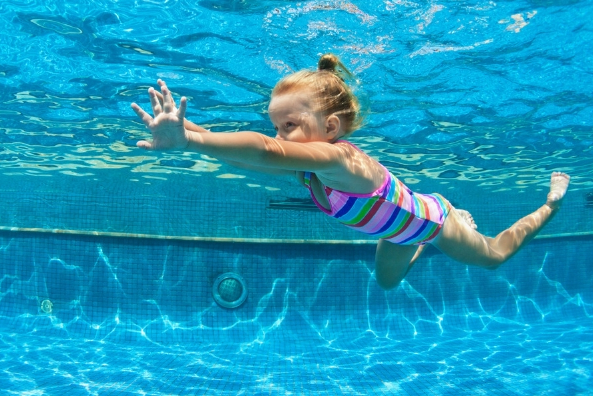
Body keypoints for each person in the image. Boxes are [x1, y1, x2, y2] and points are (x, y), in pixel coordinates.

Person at [131, 54, 570, 289]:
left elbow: (262, 151)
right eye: (275, 126)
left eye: (290, 126)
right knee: (386, 284)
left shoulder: (338, 160)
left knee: (492, 258)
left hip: (432, 224)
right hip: (396, 232)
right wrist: (185, 130)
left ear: (331, 127)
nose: (281, 136)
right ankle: (419, 237)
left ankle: (549, 203)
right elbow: (251, 157)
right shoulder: (306, 167)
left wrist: (193, 141)